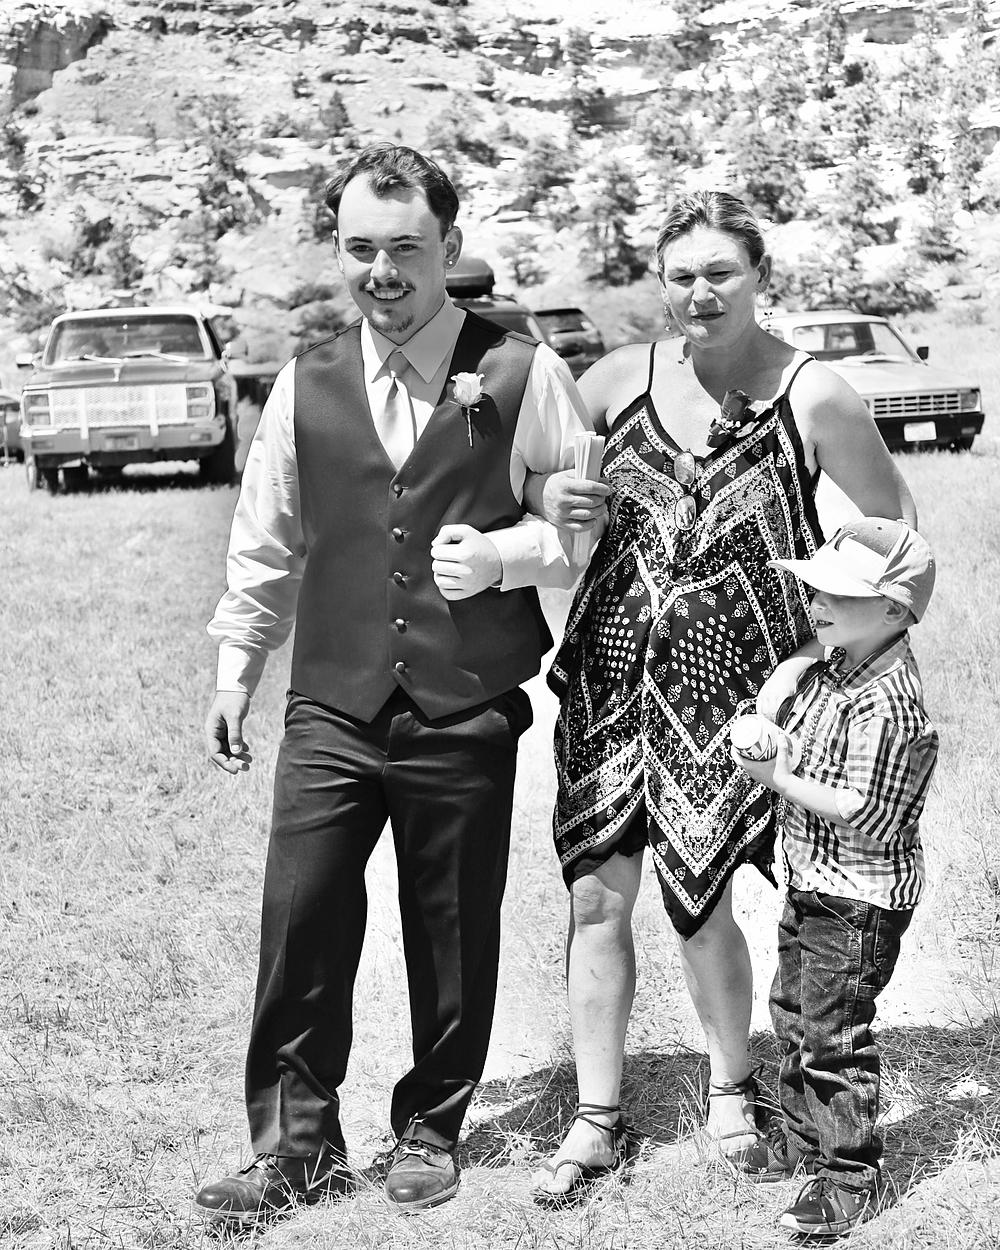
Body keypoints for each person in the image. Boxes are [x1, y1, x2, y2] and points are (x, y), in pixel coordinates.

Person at [196, 143, 593, 1224]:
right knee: (302, 914)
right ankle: (294, 1146)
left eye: (405, 248)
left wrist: (505, 555)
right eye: (360, 248)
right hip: (331, 699)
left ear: (448, 247)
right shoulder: (305, 382)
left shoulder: (522, 373)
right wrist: (237, 667)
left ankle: (431, 1124)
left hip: (465, 701)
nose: (381, 271)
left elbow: (585, 531)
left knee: (451, 923)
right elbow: (264, 541)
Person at [526, 189, 918, 1203]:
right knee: (594, 895)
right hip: (611, 678)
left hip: (736, 693)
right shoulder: (617, 377)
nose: (699, 293)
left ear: (758, 276)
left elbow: (896, 540)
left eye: (720, 273)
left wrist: (829, 653)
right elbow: (543, 488)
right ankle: (595, 1115)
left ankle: (733, 1087)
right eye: (681, 275)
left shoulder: (814, 394)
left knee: (698, 899)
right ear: (660, 283)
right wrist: (549, 497)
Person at [732, 518, 938, 1240]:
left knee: (833, 1035)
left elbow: (865, 811)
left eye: (836, 594)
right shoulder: (839, 666)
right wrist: (780, 695)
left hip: (856, 899)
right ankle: (802, 1138)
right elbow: (806, 722)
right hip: (814, 880)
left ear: (893, 610)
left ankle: (850, 1176)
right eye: (815, 589)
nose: (815, 602)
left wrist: (778, 778)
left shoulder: (892, 703)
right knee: (793, 1011)